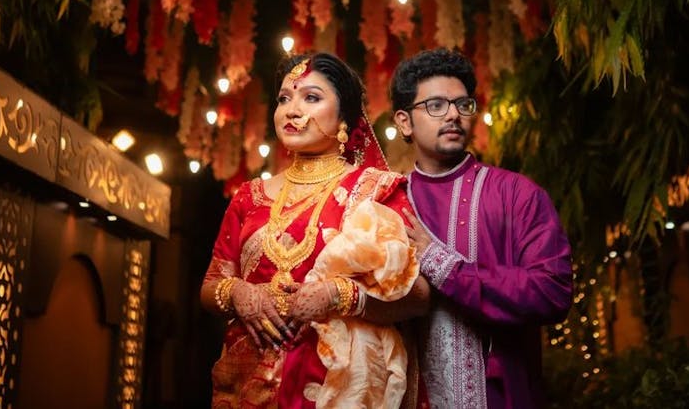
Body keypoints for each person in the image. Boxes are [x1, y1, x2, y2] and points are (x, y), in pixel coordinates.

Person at [201, 52, 429, 408]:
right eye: (284, 99)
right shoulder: (248, 196)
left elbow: (418, 295)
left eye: (311, 98)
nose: (292, 111)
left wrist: (338, 296)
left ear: (344, 118)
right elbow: (211, 285)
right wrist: (238, 293)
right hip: (246, 385)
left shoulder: (375, 191)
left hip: (332, 385)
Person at [390, 48, 573, 409]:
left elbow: (553, 292)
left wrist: (444, 267)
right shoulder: (388, 204)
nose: (453, 115)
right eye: (436, 105)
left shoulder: (516, 194)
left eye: (463, 104)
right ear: (404, 122)